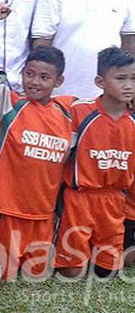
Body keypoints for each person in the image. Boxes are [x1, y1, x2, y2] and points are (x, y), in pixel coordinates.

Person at [0, 3, 73, 280]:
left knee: (37, 276)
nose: (35, 82)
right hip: (7, 210)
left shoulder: (67, 114)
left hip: (43, 214)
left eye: (44, 77)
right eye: (29, 74)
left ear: (59, 81)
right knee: (2, 275)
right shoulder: (11, 104)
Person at [55, 48, 135, 278]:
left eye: (133, 79)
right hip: (80, 199)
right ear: (100, 81)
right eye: (120, 78)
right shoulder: (79, 111)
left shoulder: (132, 123)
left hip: (114, 200)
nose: (128, 85)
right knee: (72, 271)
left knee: (107, 272)